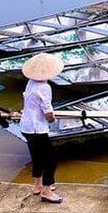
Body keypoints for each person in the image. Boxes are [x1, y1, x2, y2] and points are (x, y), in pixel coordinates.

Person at [19, 52, 64, 204]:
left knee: (37, 156)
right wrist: (52, 118)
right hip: (37, 128)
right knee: (51, 159)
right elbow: (47, 112)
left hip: (26, 126)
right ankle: (46, 191)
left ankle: (37, 186)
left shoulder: (31, 82)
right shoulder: (45, 87)